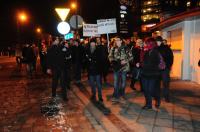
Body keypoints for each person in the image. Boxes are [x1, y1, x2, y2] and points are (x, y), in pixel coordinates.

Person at [141, 37, 165, 109]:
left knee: (151, 90)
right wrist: (140, 64)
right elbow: (144, 61)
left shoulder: (157, 52)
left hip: (153, 74)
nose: (145, 44)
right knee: (145, 90)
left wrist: (154, 67)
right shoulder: (146, 51)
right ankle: (148, 104)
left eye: (147, 43)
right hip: (145, 74)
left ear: (151, 44)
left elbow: (161, 64)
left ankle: (157, 99)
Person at [108, 36, 133, 103]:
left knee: (123, 83)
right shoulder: (113, 48)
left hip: (124, 68)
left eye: (118, 40)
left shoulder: (126, 48)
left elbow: (131, 57)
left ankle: (122, 95)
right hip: (116, 68)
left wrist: (125, 60)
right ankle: (116, 96)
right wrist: (112, 61)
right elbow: (110, 56)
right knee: (116, 83)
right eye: (115, 40)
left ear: (121, 41)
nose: (116, 41)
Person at [156, 36, 174, 102]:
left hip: (165, 69)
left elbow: (171, 58)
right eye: (156, 41)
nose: (157, 43)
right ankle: (157, 96)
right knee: (157, 83)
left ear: (160, 41)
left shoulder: (166, 48)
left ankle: (166, 96)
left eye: (157, 41)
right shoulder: (155, 48)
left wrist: (168, 67)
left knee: (165, 83)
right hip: (157, 69)